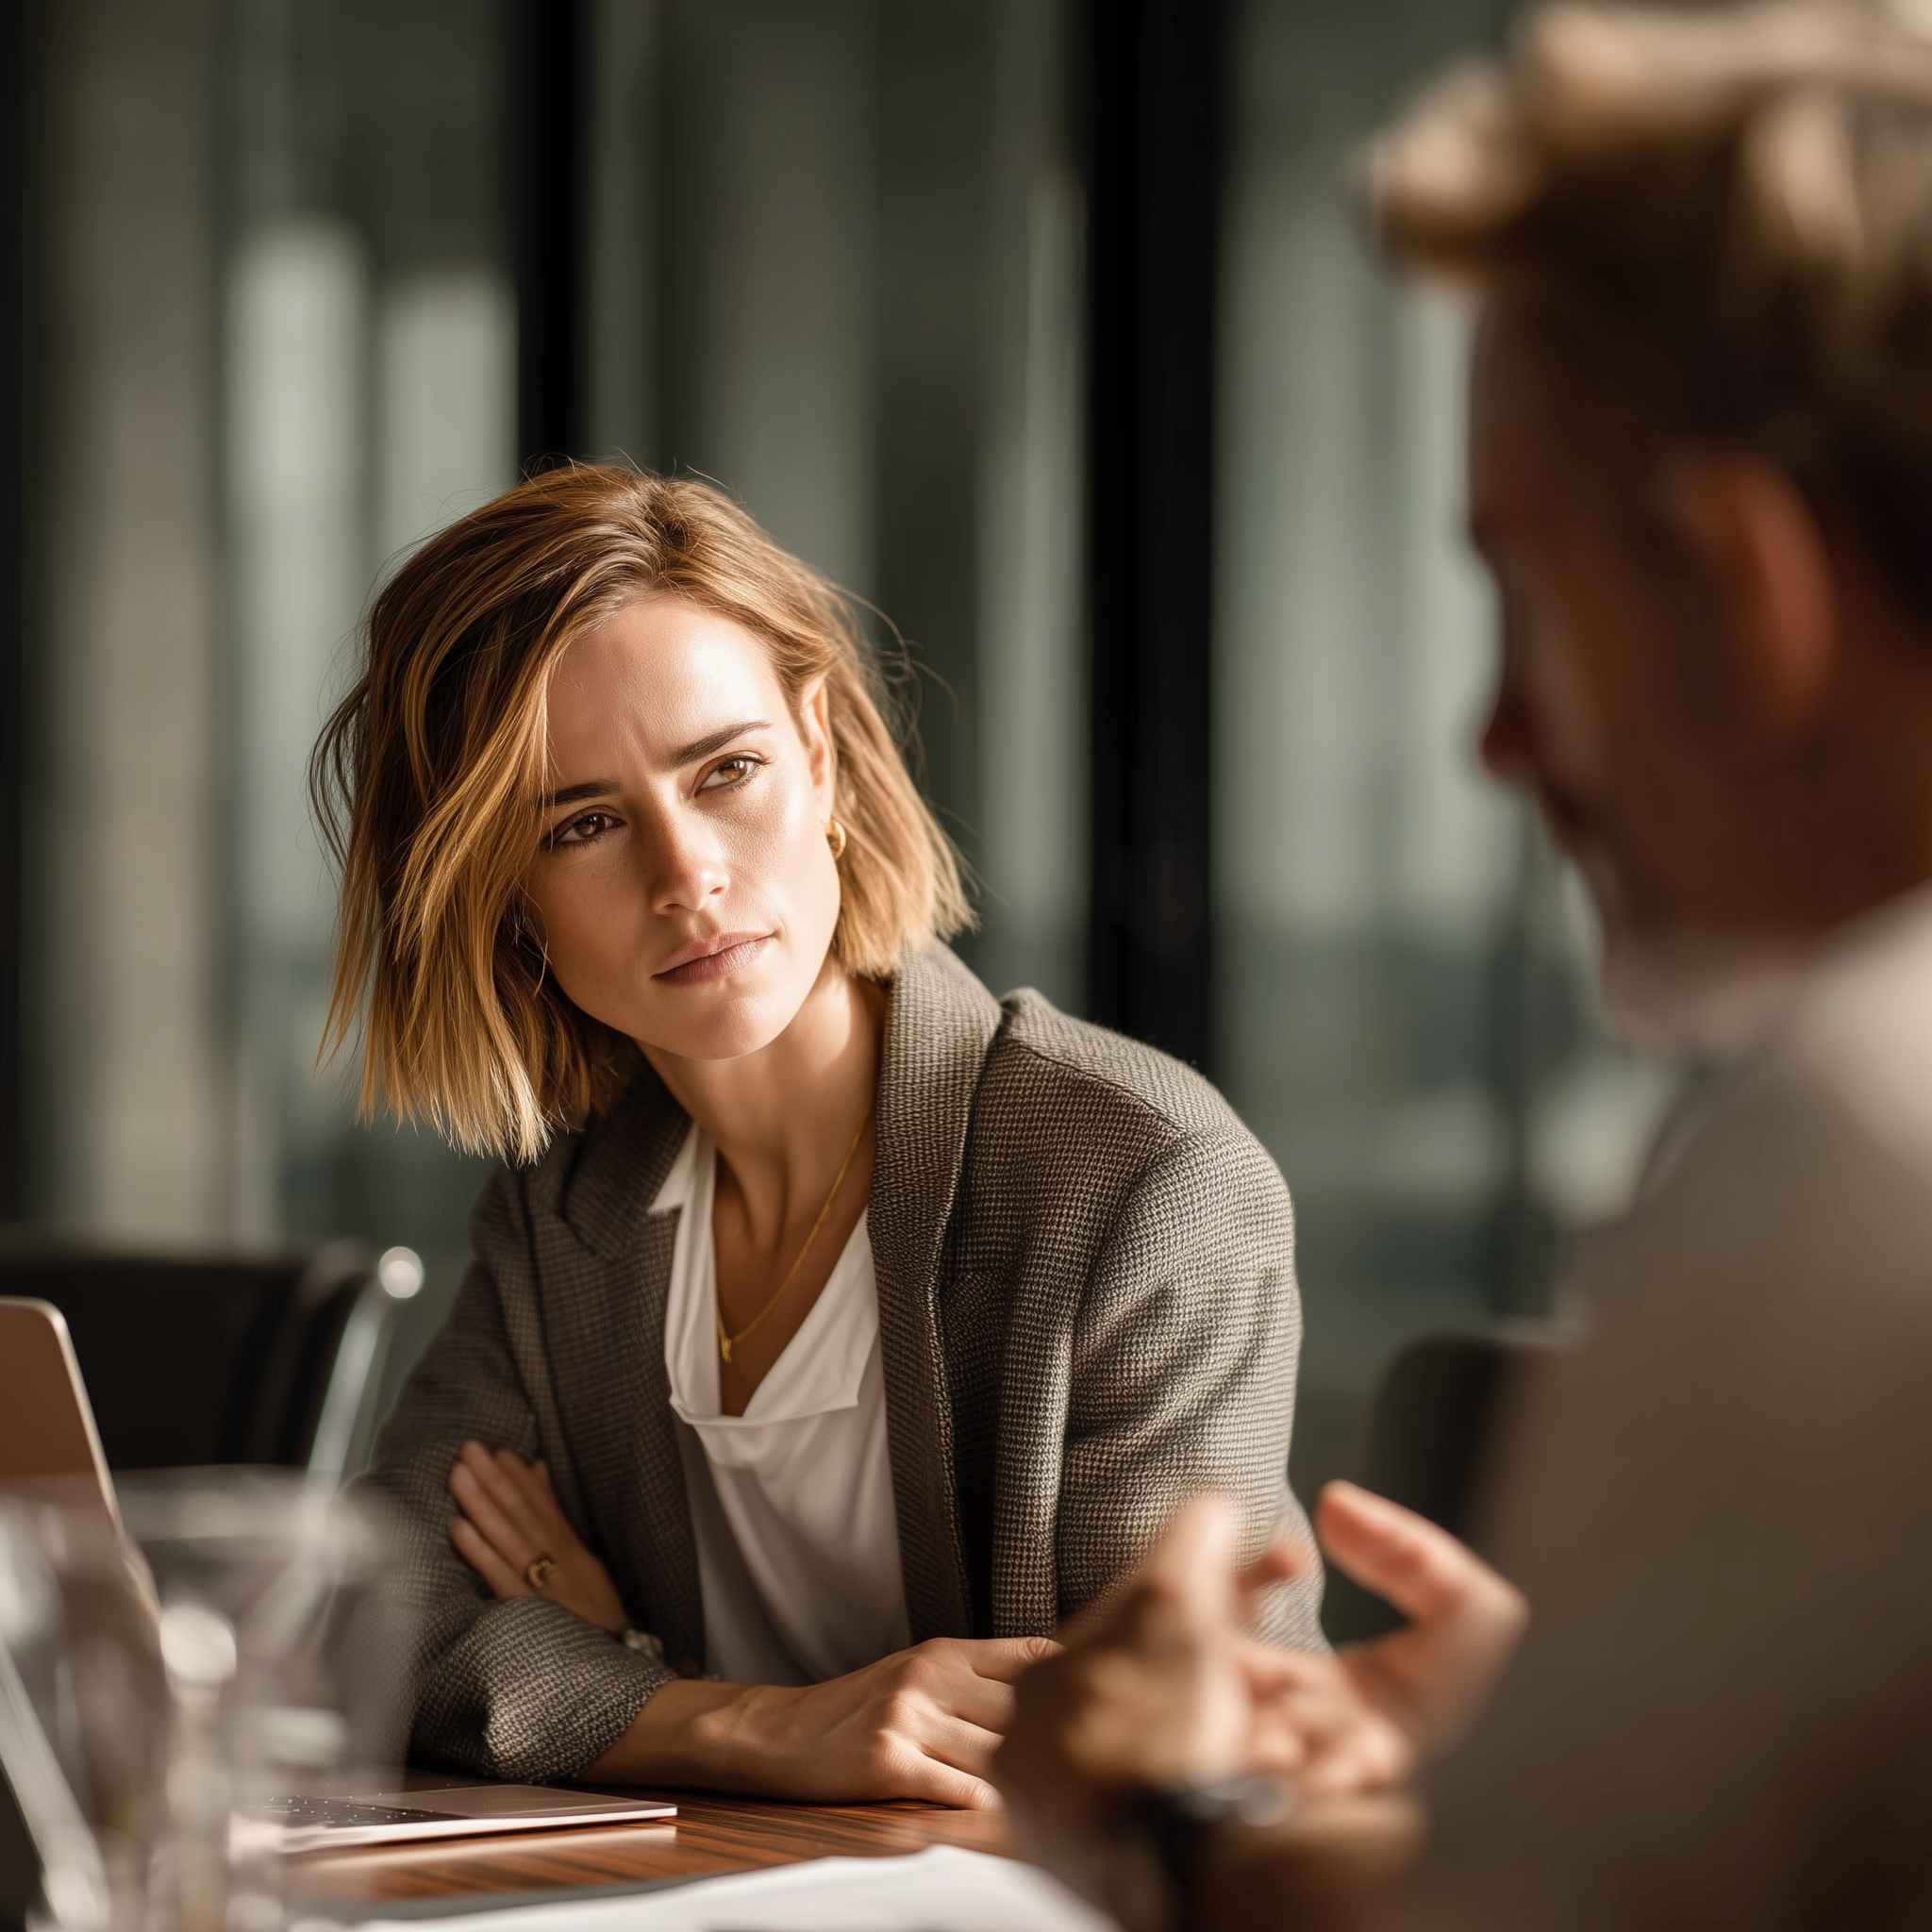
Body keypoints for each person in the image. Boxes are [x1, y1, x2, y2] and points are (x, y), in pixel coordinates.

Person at [994, 0, 1932, 1922]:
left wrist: (1154, 1823)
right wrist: (1572, 1739)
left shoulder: (1852, 1159)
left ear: (1745, 587)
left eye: (1523, 588)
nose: (1492, 739)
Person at [311, 463, 1325, 1807]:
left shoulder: (1138, 1179)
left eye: (726, 770)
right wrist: (735, 1720)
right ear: (508, 904)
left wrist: (603, 1656)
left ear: (825, 758)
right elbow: (385, 1625)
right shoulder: (568, 1203)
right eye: (587, 824)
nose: (688, 879)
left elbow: (1145, 1752)